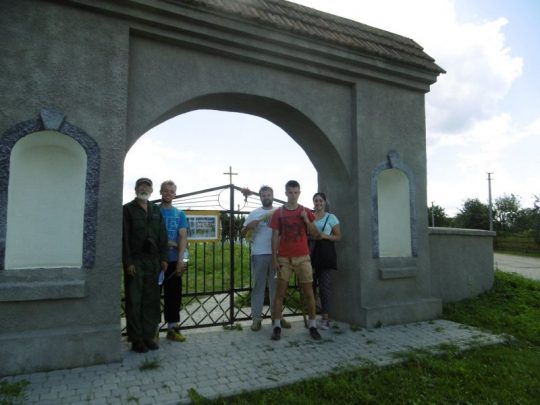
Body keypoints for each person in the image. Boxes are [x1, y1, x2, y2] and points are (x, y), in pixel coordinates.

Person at [269, 180, 322, 341]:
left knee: (309, 293)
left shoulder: (305, 211)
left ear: (299, 193)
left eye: (295, 192)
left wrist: (306, 220)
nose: (293, 196)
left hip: (303, 257)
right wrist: (274, 258)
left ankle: (312, 326)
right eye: (290, 192)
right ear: (286, 193)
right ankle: (276, 326)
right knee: (280, 293)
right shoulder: (279, 213)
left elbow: (316, 235)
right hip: (284, 258)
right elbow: (275, 236)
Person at [122, 178, 168, 353]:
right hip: (136, 261)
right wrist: (128, 262)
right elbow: (124, 237)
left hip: (153, 261)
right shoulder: (127, 209)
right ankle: (136, 340)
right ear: (135, 189)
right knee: (135, 301)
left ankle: (148, 337)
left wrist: (164, 258)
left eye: (147, 186)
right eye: (141, 186)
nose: (144, 189)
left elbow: (162, 235)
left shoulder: (156, 210)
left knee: (151, 300)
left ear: (151, 190)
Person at [241, 186, 291, 332]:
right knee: (258, 288)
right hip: (259, 254)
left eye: (268, 195)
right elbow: (242, 233)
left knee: (277, 288)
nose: (266, 197)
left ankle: (277, 317)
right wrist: (248, 227)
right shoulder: (254, 214)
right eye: (263, 195)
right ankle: (256, 319)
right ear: (260, 197)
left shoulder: (279, 212)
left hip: (277, 255)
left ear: (272, 196)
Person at [159, 180, 189, 342]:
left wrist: (180, 261)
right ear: (160, 192)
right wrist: (170, 242)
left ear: (175, 194)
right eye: (165, 190)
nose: (168, 193)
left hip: (173, 260)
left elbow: (183, 237)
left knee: (173, 296)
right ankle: (152, 330)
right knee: (153, 296)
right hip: (156, 261)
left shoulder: (180, 214)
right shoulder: (154, 211)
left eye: (171, 191)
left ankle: (172, 328)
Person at [311, 192, 342, 330]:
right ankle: (312, 318)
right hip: (311, 254)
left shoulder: (331, 217)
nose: (318, 203)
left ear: (324, 202)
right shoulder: (310, 217)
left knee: (325, 287)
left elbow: (338, 236)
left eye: (320, 200)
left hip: (325, 255)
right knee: (310, 287)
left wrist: (325, 236)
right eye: (316, 201)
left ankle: (325, 318)